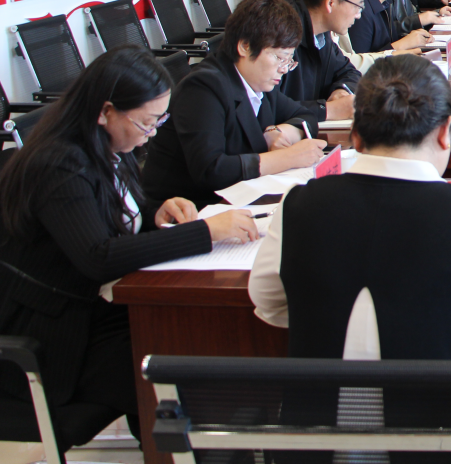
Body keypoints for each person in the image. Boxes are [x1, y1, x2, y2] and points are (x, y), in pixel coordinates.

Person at [249, 55, 451, 460]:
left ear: (355, 137)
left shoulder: (297, 206)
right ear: (444, 133)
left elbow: (268, 302)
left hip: (315, 453)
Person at [0, 48, 258, 442]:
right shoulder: (59, 164)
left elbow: (112, 212)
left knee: (192, 343)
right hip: (57, 334)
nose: (151, 134)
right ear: (106, 112)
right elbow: (99, 257)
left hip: (99, 308)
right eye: (147, 122)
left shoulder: (108, 145)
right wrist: (205, 233)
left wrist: (155, 213)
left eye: (159, 121)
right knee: (175, 369)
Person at [141, 0, 328, 209]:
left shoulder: (259, 82)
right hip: (185, 211)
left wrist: (280, 132)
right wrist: (288, 157)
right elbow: (211, 169)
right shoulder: (203, 88)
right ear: (245, 46)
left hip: (237, 200)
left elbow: (305, 116)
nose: (284, 69)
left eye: (288, 60)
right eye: (279, 58)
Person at [279, 0, 365, 122]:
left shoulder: (321, 29)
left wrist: (341, 90)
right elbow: (267, 106)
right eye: (357, 6)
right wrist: (327, 110)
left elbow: (349, 71)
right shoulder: (280, 33)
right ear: (331, 2)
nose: (358, 15)